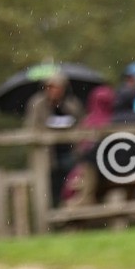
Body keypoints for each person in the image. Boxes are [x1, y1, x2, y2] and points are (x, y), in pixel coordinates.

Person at [24, 72, 84, 206]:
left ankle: (68, 214)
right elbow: (31, 128)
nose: (52, 91)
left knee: (69, 185)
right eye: (49, 87)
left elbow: (80, 126)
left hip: (69, 154)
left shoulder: (72, 104)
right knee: (47, 188)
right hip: (46, 155)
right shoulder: (37, 104)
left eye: (56, 87)